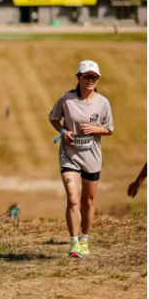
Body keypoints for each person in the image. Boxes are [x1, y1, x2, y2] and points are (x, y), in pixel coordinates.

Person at [49, 60, 114, 259]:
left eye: (94, 77)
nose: (90, 80)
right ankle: (74, 242)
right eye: (86, 76)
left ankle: (84, 238)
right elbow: (53, 118)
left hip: (92, 157)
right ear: (78, 78)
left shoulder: (103, 103)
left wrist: (94, 129)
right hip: (69, 156)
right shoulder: (66, 99)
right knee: (72, 198)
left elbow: (109, 129)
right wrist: (63, 132)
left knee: (87, 201)